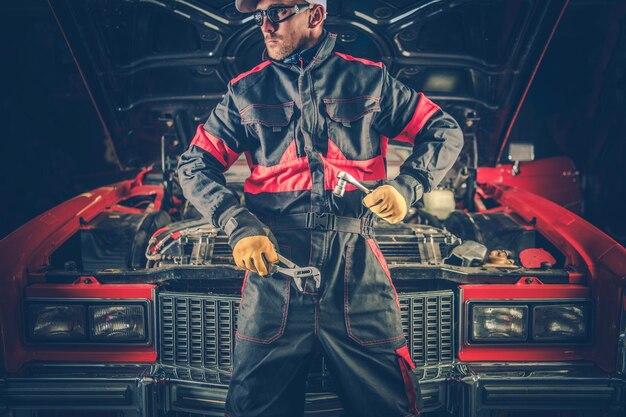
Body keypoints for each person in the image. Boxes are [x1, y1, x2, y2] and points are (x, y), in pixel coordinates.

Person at [177, 0, 463, 415]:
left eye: (275, 12)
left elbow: (443, 129)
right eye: (259, 16)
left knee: (389, 407)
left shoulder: (370, 81)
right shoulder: (245, 91)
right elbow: (194, 164)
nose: (265, 25)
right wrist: (239, 225)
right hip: (274, 268)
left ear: (314, 14)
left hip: (356, 267)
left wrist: (408, 187)